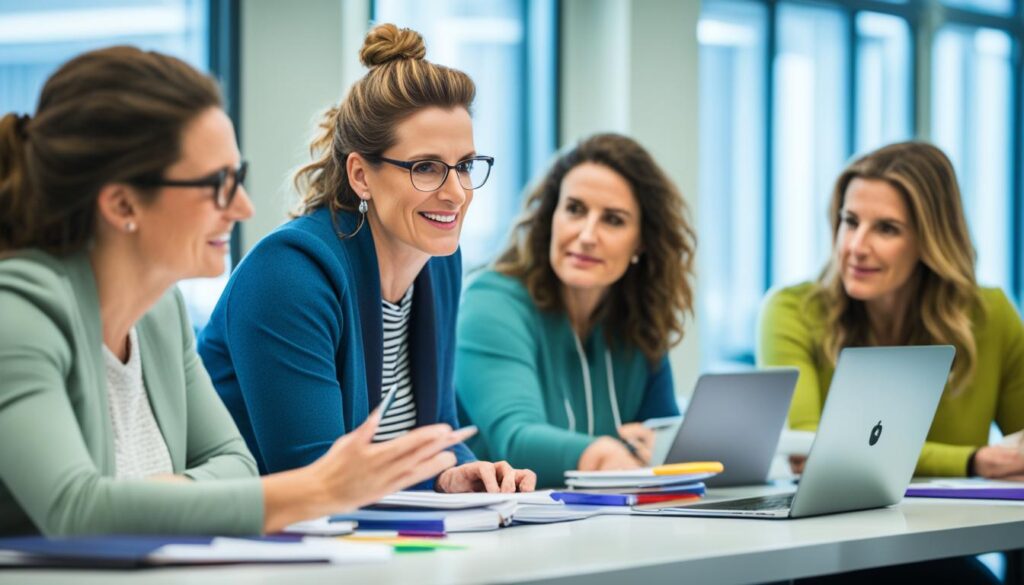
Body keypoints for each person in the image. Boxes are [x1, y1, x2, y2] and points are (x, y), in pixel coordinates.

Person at [0, 46, 467, 537]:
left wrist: (145, 496)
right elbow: (78, 511)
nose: (243, 207)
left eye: (237, 178)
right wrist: (312, 490)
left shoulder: (160, 313)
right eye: (217, 184)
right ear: (122, 204)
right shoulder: (16, 317)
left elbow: (236, 467)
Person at [197, 24, 535, 493]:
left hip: (373, 543)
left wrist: (458, 473)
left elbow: (436, 428)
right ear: (361, 175)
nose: (456, 193)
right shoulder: (288, 274)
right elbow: (318, 480)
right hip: (260, 548)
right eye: (427, 168)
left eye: (464, 166)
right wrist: (434, 485)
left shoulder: (438, 261)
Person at [758, 141, 1024, 480]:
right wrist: (972, 461)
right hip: (841, 528)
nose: (856, 247)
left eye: (886, 229)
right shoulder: (791, 310)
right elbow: (810, 449)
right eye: (850, 221)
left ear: (931, 240)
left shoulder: (990, 313)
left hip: (963, 528)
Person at [455, 133, 697, 488]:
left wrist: (659, 447)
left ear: (642, 241)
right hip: (505, 528)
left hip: (607, 525)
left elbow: (661, 434)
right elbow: (515, 439)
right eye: (575, 209)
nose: (586, 235)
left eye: (613, 220)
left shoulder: (639, 314)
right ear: (550, 216)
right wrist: (606, 454)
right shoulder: (491, 301)